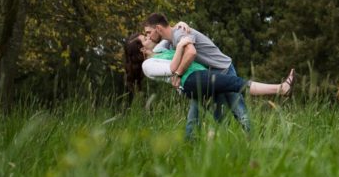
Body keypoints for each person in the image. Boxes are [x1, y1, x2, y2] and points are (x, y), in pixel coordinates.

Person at [123, 33, 293, 139]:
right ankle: (281, 89)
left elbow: (171, 33)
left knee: (219, 116)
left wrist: (181, 26)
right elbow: (172, 68)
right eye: (144, 39)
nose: (149, 37)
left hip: (199, 78)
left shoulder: (159, 50)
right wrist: (182, 45)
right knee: (235, 84)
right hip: (193, 80)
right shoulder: (148, 66)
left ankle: (200, 144)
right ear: (141, 51)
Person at [142, 13, 280, 136]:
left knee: (239, 110)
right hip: (207, 77)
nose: (148, 36)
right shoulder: (169, 41)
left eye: (148, 32)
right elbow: (159, 46)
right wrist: (181, 22)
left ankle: (254, 140)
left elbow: (191, 52)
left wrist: (178, 74)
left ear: (158, 28)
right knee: (217, 115)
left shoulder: (179, 34)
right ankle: (214, 143)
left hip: (222, 70)